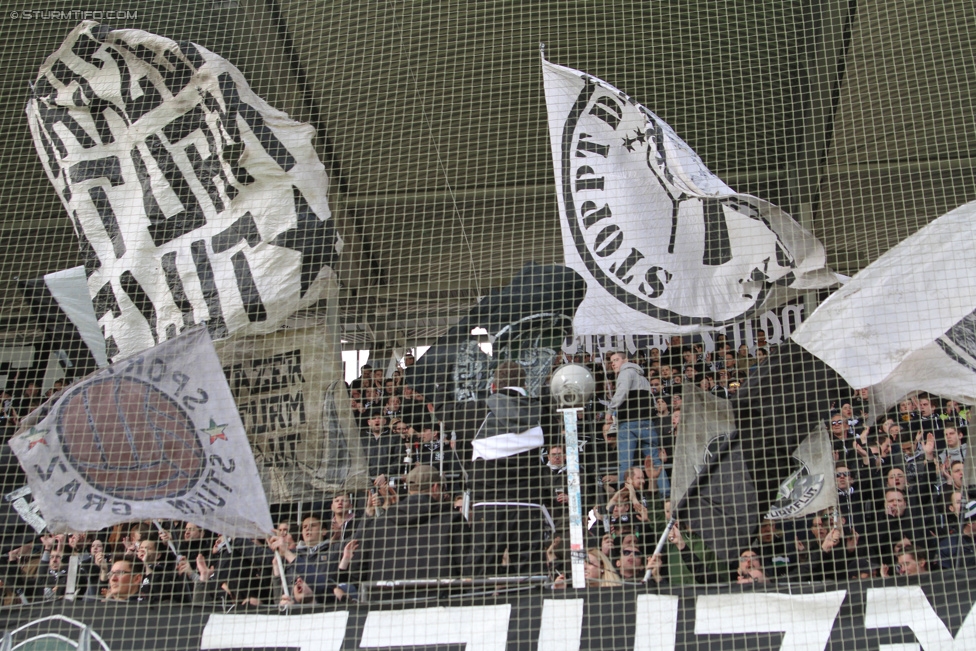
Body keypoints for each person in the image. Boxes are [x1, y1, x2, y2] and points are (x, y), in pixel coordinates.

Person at [340, 465, 467, 600]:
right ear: (436, 487)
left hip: (385, 608)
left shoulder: (379, 525)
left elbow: (358, 571)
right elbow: (466, 568)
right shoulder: (453, 520)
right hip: (438, 606)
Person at [607, 350, 668, 496]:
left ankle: (625, 496)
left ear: (625, 360)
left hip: (629, 423)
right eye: (611, 361)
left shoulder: (625, 372)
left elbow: (621, 392)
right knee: (655, 462)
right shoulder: (643, 378)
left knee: (625, 462)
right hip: (647, 424)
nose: (613, 364)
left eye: (616, 360)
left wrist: (610, 410)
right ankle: (666, 495)